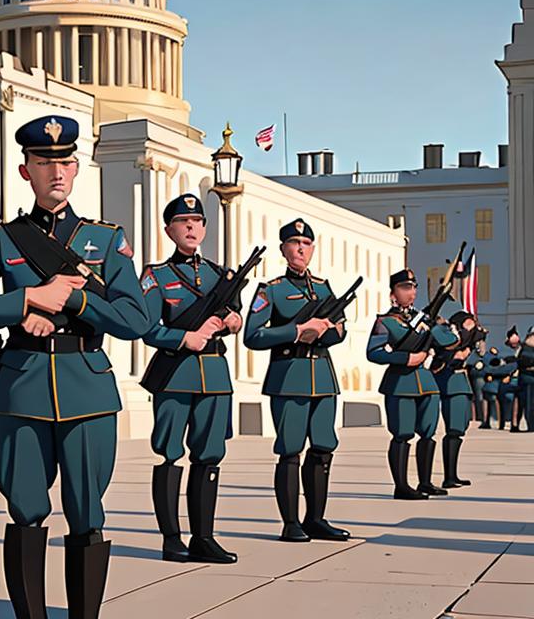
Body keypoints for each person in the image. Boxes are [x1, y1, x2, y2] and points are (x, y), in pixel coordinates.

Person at [0, 115, 147, 619]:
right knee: (27, 511)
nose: (55, 171)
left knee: (86, 514)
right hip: (21, 390)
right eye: (43, 162)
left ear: (77, 168)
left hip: (87, 391)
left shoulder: (106, 240)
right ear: (25, 170)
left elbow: (136, 319)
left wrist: (74, 304)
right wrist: (27, 299)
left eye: (64, 162)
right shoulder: (0, 241)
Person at [138, 194, 238, 564]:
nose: (192, 227)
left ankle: (204, 537)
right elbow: (146, 328)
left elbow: (234, 315)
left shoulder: (220, 275)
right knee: (169, 454)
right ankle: (171, 538)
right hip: (174, 375)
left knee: (209, 456)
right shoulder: (156, 276)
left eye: (198, 220)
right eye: (183, 221)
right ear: (169, 230)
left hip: (213, 375)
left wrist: (231, 323)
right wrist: (184, 338)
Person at [244, 218, 350, 543]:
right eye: (294, 243)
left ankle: (315, 518)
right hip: (288, 376)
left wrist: (327, 331)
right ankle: (290, 523)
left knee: (322, 448)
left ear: (312, 249)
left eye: (306, 244)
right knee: (291, 450)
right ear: (283, 249)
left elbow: (341, 329)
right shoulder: (271, 289)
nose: (300, 248)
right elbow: (254, 335)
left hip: (323, 376)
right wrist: (296, 332)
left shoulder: (323, 287)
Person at [366, 269, 459, 499]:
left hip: (426, 382)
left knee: (428, 432)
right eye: (405, 288)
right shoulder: (385, 321)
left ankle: (425, 482)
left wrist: (438, 326)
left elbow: (450, 342)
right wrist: (404, 358)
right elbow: (373, 352)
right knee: (402, 433)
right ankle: (402, 486)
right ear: (393, 294)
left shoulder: (425, 319)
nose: (412, 292)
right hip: (399, 383)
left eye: (414, 287)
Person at [432, 310, 481, 488]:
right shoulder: (445, 334)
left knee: (459, 429)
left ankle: (452, 474)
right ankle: (449, 476)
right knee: (453, 430)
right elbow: (446, 355)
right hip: (451, 383)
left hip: (460, 383)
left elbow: (478, 356)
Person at [519, 326, 534, 431]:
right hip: (528, 378)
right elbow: (524, 361)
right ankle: (531, 425)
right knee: (530, 404)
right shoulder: (526, 347)